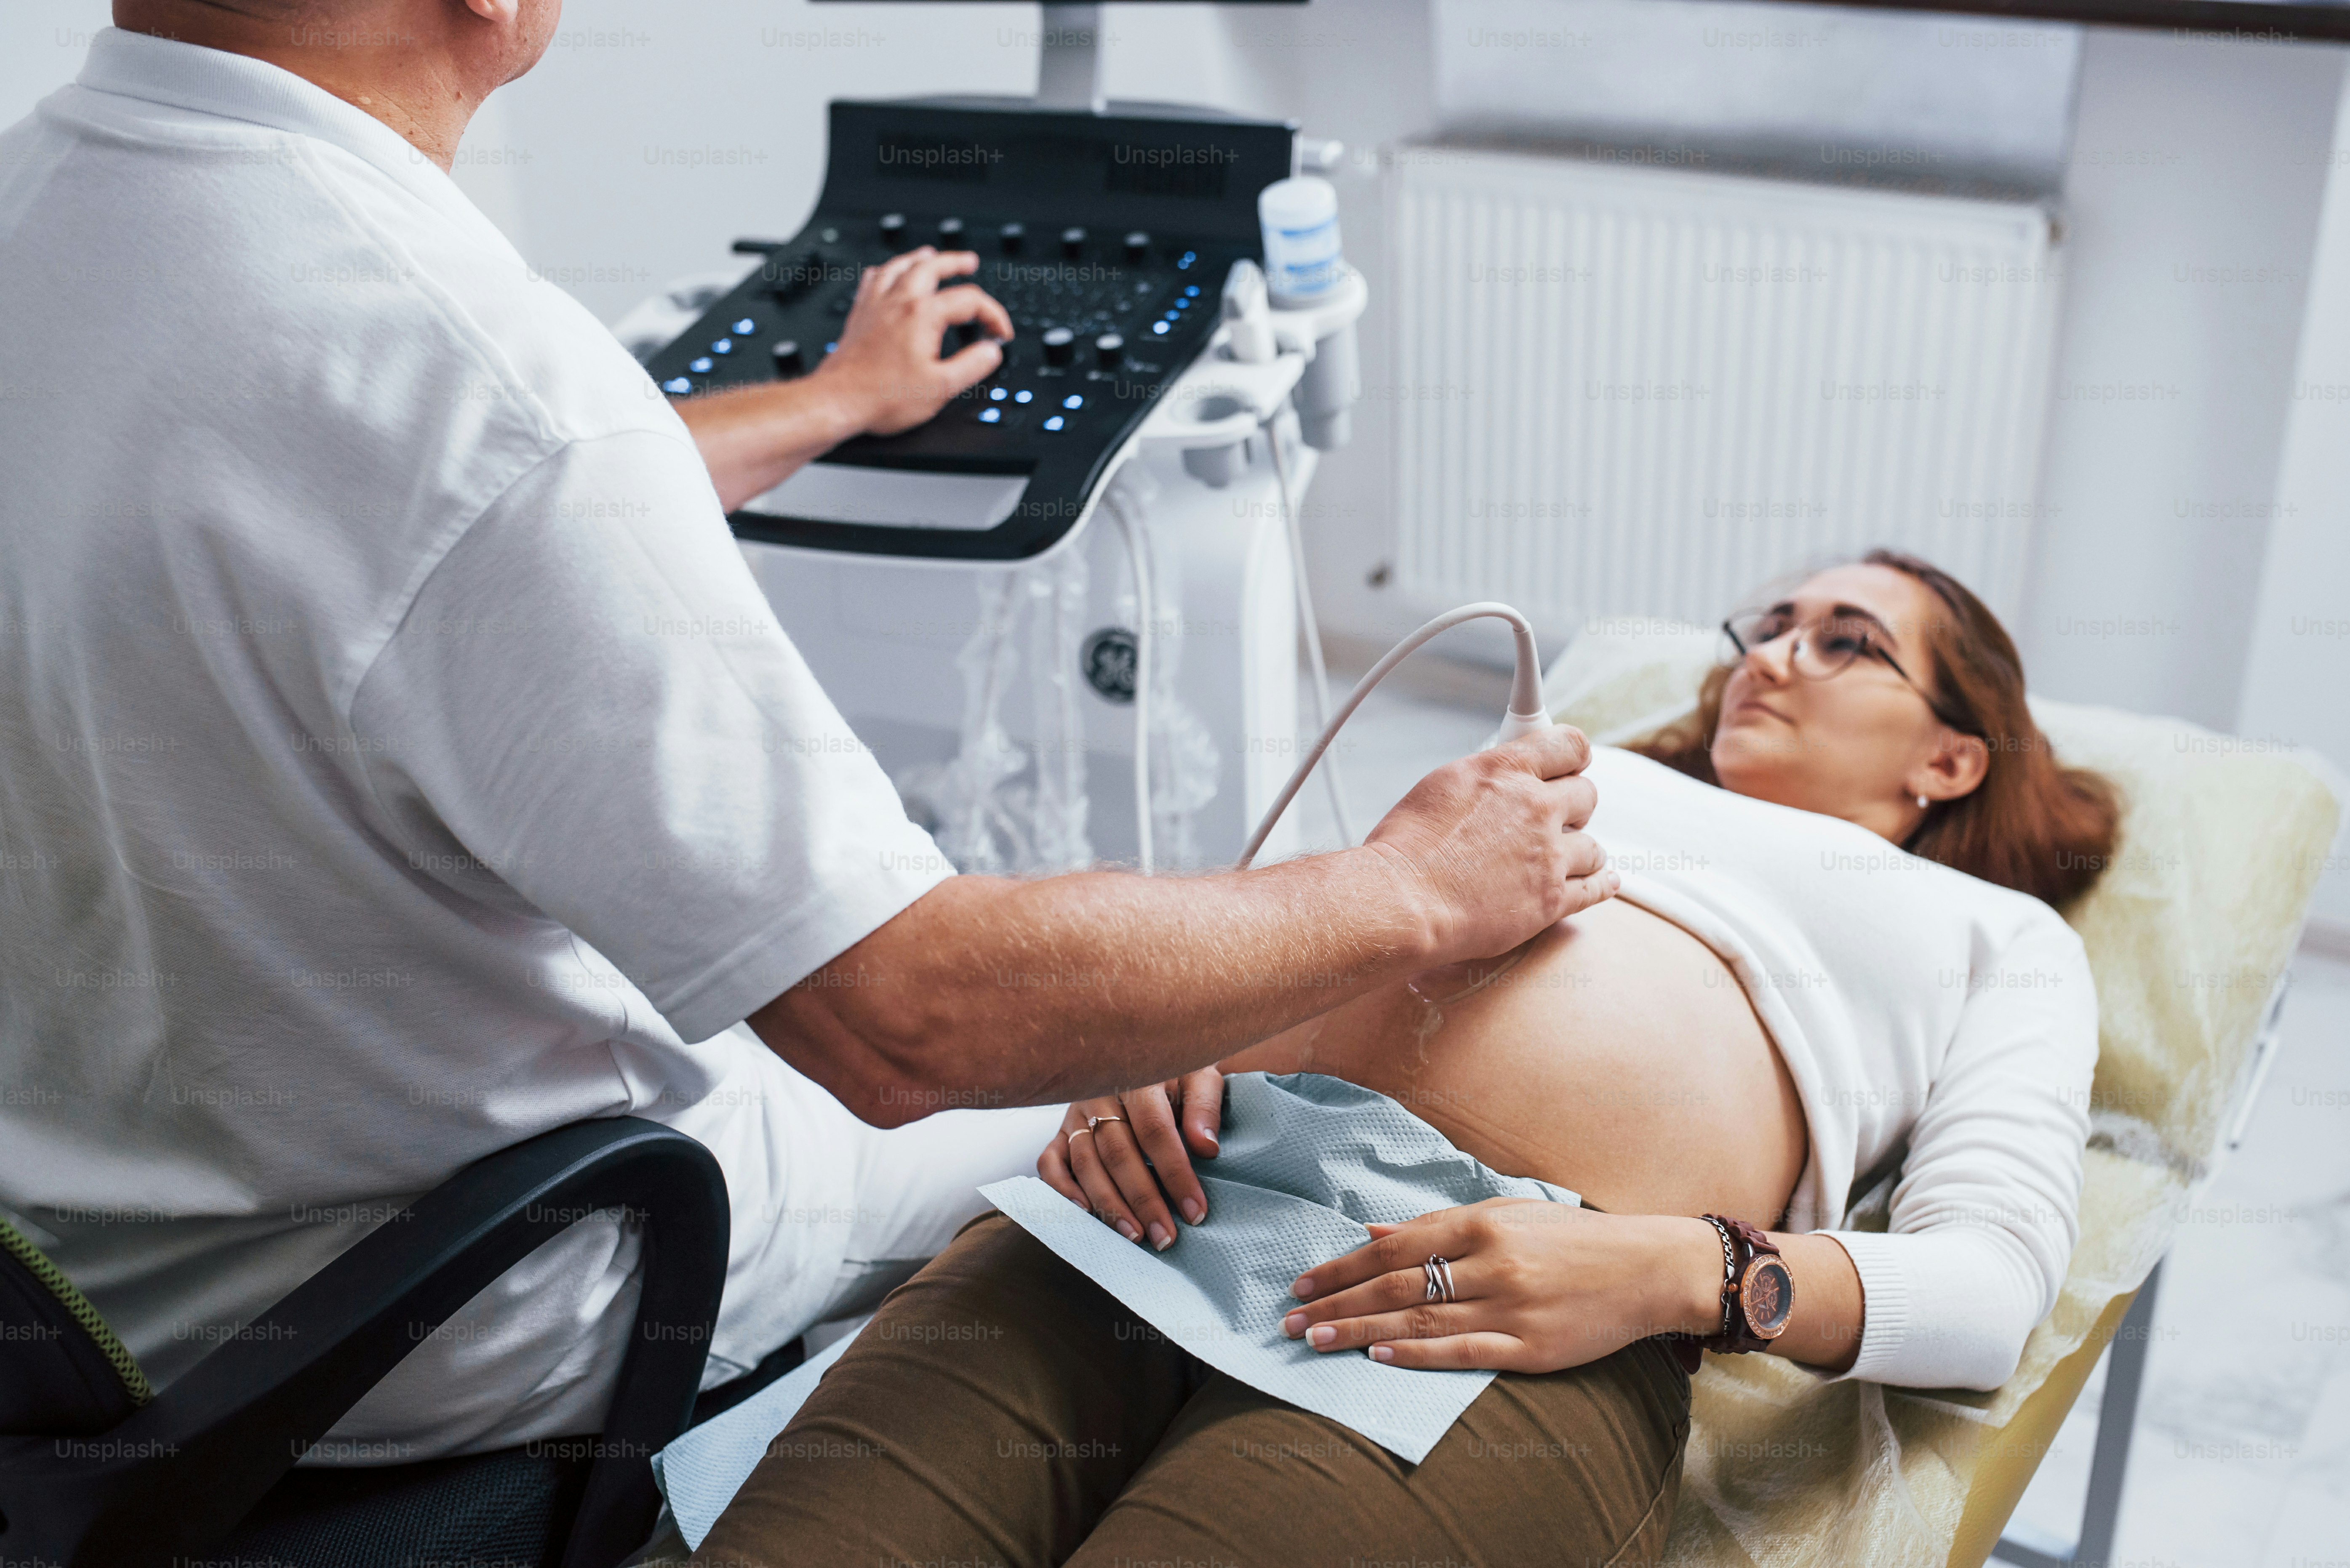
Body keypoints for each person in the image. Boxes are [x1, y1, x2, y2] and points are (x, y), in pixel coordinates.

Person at [0, 0, 1613, 1462]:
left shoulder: (52, 201)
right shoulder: (481, 383)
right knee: (1139, 1098)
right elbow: (909, 1031)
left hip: (81, 1258)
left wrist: (837, 397)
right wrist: (1412, 887)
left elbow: (428, 515)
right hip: (431, 1318)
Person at [691, 552, 2123, 1568]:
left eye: (1845, 640)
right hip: (1163, 1202)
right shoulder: (1563, 767)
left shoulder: (1994, 935)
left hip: (1492, 1320)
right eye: (1769, 623)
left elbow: (1990, 1293)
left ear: (1952, 758)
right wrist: (1152, 1042)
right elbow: (1297, 926)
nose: (1769, 655)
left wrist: (1677, 1271)